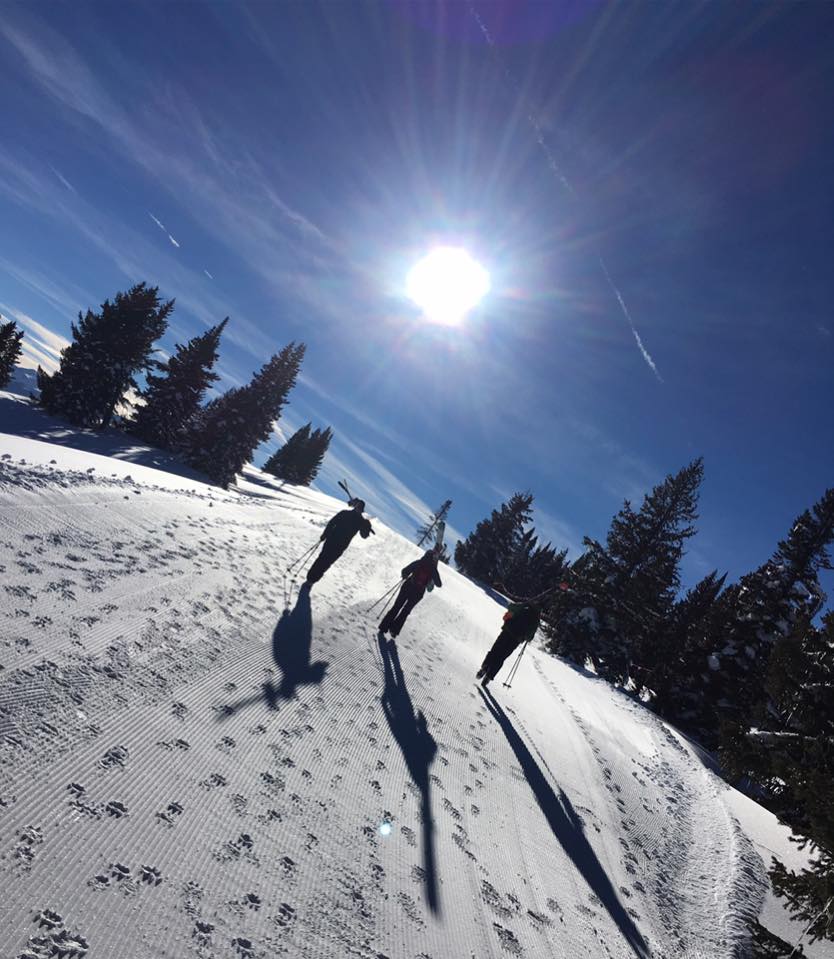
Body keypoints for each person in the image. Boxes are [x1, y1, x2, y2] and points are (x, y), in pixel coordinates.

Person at [305, 499, 373, 586]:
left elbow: (364, 535)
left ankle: (312, 580)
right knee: (324, 559)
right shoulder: (350, 516)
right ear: (356, 507)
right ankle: (310, 579)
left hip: (338, 544)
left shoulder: (359, 520)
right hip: (334, 542)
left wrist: (367, 526)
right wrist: (324, 535)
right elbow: (332, 523)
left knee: (325, 561)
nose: (358, 509)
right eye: (358, 507)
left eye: (360, 508)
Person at [379, 547, 442, 637]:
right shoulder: (432, 569)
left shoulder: (419, 562)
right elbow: (439, 584)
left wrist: (405, 575)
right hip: (418, 593)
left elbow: (405, 571)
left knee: (397, 606)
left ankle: (383, 627)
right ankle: (394, 630)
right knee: (405, 611)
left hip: (408, 586)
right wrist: (433, 575)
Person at [477, 601, 541, 686]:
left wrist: (524, 604)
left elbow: (511, 607)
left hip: (507, 631)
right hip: (515, 640)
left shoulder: (525, 607)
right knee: (501, 657)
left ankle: (485, 666)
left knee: (495, 650)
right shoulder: (536, 618)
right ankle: (489, 676)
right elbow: (529, 637)